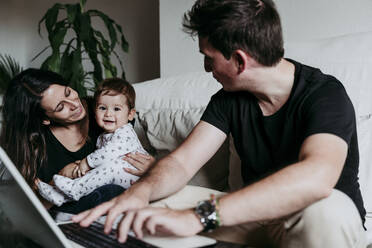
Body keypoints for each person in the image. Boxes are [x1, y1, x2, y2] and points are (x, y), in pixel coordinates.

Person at [73, 0, 367, 247]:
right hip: (252, 217)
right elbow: (181, 163)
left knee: (325, 211)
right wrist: (140, 193)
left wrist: (197, 217)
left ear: (240, 61)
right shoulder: (228, 99)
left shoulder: (324, 94)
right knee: (150, 208)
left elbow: (316, 178)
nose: (206, 68)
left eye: (208, 58)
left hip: (312, 220)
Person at [0, 69, 154, 214]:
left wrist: (152, 168)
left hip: (117, 199)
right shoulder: (36, 146)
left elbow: (132, 153)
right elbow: (32, 211)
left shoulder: (108, 109)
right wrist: (61, 179)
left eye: (68, 92)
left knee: (113, 191)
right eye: (61, 107)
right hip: (71, 214)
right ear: (45, 120)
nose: (74, 104)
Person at [37, 78, 149, 206]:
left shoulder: (124, 131)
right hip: (118, 180)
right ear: (95, 112)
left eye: (116, 109)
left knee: (107, 169)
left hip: (131, 174)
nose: (108, 114)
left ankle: (73, 190)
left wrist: (87, 162)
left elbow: (108, 153)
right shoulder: (103, 135)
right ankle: (61, 196)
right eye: (102, 108)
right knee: (96, 175)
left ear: (130, 114)